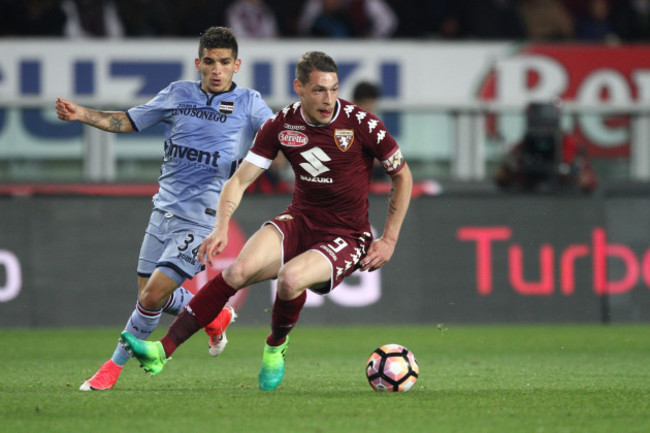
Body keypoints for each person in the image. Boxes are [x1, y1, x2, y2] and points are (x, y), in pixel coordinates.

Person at [119, 51, 413, 391]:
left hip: (346, 234)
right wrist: (221, 225)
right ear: (298, 88)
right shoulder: (281, 125)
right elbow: (240, 180)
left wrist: (388, 239)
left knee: (290, 280)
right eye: (319, 90)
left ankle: (275, 347)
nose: (328, 99)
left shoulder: (362, 123)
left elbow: (402, 176)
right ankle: (161, 351)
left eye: (333, 89)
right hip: (299, 220)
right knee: (236, 272)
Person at [55, 26, 274, 391]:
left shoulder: (250, 102)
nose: (216, 69)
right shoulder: (178, 93)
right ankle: (215, 314)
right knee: (148, 295)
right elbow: (128, 120)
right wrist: (83, 115)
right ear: (197, 63)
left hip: (203, 217)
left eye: (224, 62)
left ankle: (111, 369)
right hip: (163, 211)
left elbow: (278, 134)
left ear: (237, 65)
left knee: (152, 296)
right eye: (209, 62)